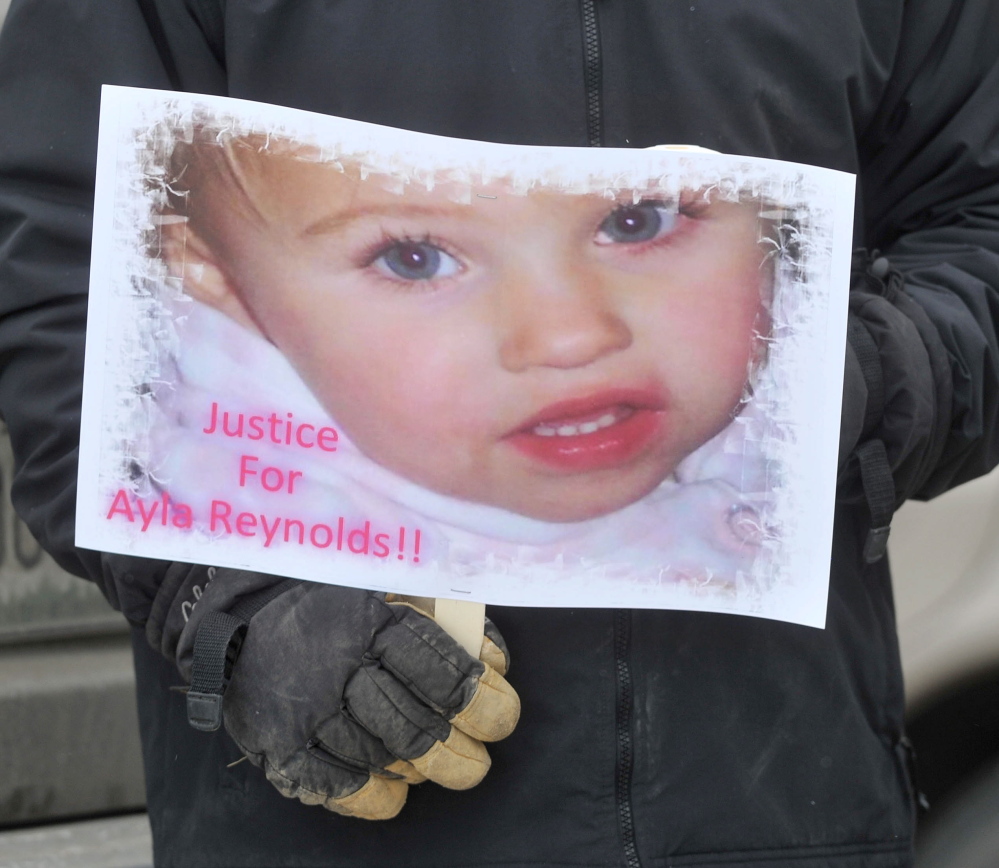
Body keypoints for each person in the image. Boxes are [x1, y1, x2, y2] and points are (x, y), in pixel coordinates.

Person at [0, 1, 997, 867]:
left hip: (781, 806)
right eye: (415, 256)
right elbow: (61, 274)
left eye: (646, 223)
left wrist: (853, 375)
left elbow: (980, 222)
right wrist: (229, 600)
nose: (570, 338)